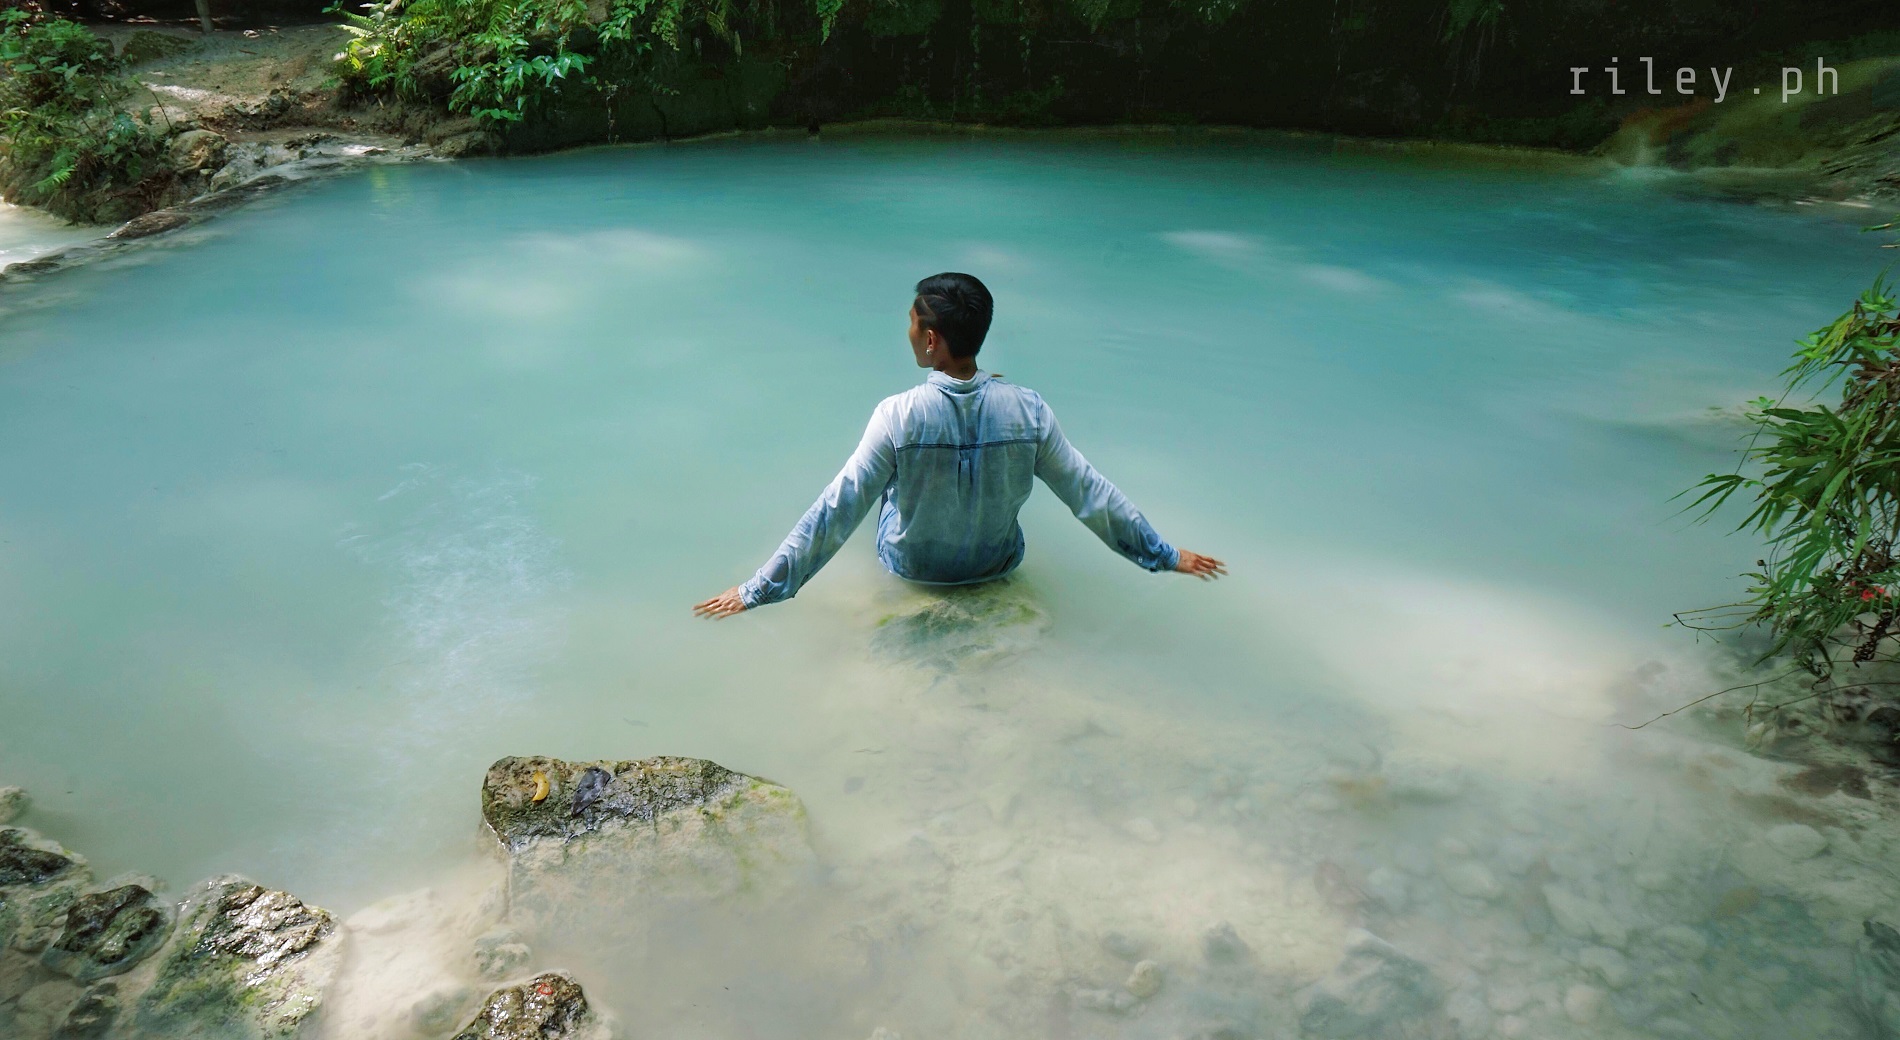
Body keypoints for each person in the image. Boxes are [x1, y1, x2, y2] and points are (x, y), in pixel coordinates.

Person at [693, 273, 1225, 619]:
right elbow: (1089, 493)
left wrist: (757, 590)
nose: (907, 331)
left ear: (931, 341)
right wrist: (1165, 556)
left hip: (913, 573)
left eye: (912, 323)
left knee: (878, 486)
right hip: (999, 567)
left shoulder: (896, 416)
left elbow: (837, 509)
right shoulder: (1030, 410)